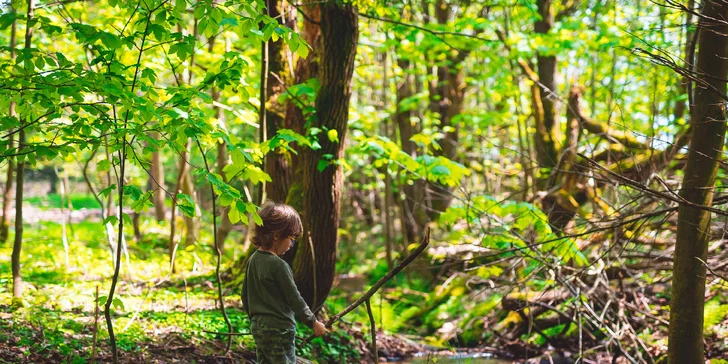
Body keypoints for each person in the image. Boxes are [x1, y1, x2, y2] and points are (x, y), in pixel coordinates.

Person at [242, 201, 328, 363]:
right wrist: (313, 323)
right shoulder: (279, 266)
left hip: (258, 326)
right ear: (276, 236)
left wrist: (256, 318)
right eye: (291, 239)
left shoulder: (253, 260)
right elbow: (294, 299)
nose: (292, 245)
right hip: (279, 329)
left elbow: (245, 295)